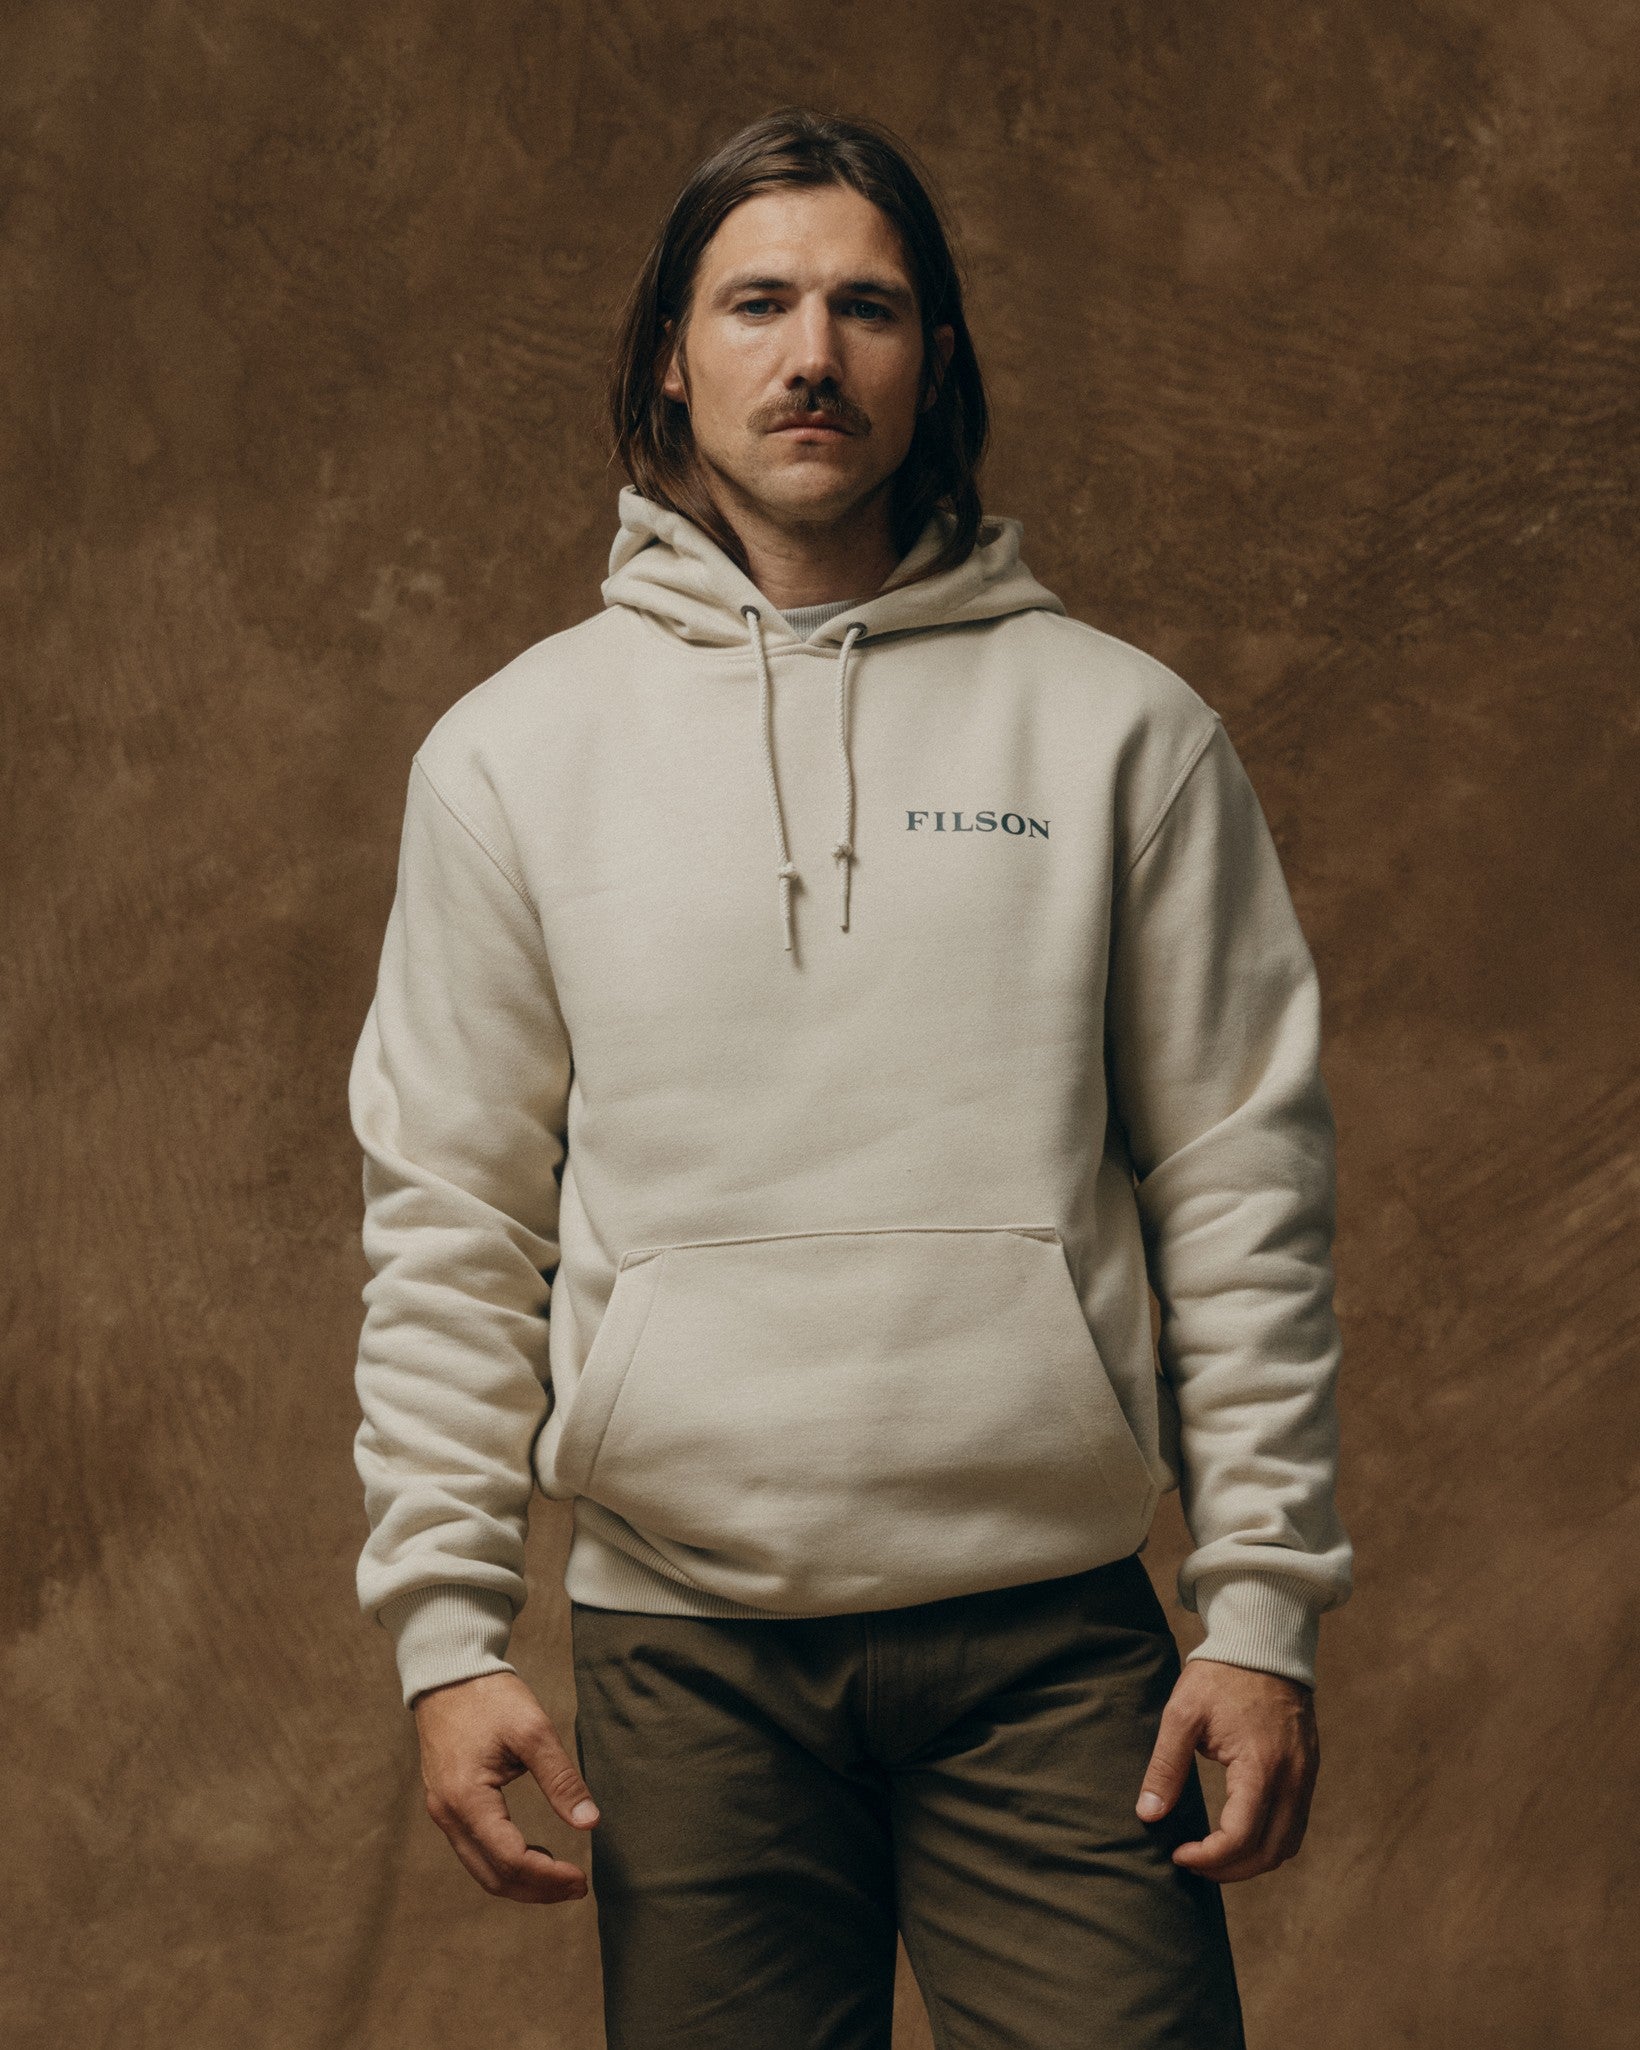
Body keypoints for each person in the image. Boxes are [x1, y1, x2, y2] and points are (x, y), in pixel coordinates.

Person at [348, 105, 1353, 2050]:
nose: (812, 353)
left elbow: (1246, 1186)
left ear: (934, 358)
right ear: (671, 352)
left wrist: (1261, 1610)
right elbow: (452, 1219)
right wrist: (444, 1634)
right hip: (686, 1649)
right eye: (758, 303)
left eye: (866, 308)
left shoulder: (1120, 731)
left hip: (1055, 1639)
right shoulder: (511, 757)